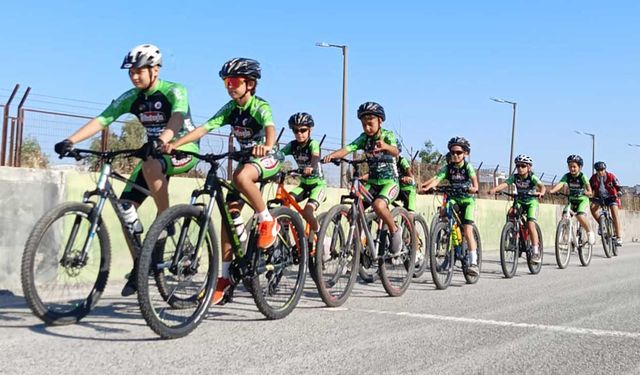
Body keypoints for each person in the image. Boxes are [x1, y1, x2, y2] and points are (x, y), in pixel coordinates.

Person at [53, 44, 199, 296]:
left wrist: (163, 139)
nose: (134, 76)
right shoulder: (132, 97)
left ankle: (165, 220)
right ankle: (141, 266)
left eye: (139, 71)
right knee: (125, 208)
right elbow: (103, 119)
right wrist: (71, 141)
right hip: (154, 152)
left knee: (150, 162)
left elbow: (176, 117)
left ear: (155, 69)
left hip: (181, 148)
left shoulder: (174, 90)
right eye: (130, 71)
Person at [164, 57, 280, 304]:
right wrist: (176, 144)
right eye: (226, 81)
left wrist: (267, 146)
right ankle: (225, 277)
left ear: (249, 84)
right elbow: (204, 129)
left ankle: (268, 220)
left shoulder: (259, 106)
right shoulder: (230, 109)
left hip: (267, 158)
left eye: (234, 81)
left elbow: (270, 128)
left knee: (240, 175)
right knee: (228, 215)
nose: (229, 86)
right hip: (245, 162)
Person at [322, 101, 403, 254]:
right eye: (363, 124)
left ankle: (395, 229)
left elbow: (396, 151)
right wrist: (331, 156)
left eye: (370, 123)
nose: (367, 127)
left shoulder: (387, 135)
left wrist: (385, 146)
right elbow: (347, 149)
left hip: (390, 183)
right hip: (371, 183)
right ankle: (357, 249)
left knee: (379, 206)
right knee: (354, 213)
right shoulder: (363, 138)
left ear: (380, 120)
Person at [420, 137, 480, 276]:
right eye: (452, 152)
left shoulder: (467, 167)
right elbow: (437, 179)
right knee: (443, 211)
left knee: (468, 230)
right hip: (454, 199)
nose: (455, 155)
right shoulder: (448, 167)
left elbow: (475, 182)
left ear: (465, 153)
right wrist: (427, 187)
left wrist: (474, 188)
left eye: (459, 152)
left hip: (467, 201)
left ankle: (474, 263)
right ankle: (446, 233)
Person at [489, 154, 546, 263]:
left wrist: (541, 193)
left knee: (530, 224)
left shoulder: (532, 177)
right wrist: (494, 190)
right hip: (519, 201)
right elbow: (505, 184)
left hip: (531, 203)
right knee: (510, 213)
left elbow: (542, 186)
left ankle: (535, 252)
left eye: (523, 166)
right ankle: (512, 237)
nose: (520, 168)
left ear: (529, 167)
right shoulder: (515, 177)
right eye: (518, 166)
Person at [280, 112, 326, 240]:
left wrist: (311, 167)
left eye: (303, 130)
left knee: (307, 212)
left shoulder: (313, 144)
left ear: (310, 130)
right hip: (303, 185)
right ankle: (285, 236)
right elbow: (280, 155)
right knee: (285, 203)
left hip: (317, 185)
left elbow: (315, 156)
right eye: (295, 130)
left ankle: (320, 235)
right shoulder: (293, 145)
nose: (299, 133)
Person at [548, 155, 596, 245]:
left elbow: (589, 191)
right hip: (571, 200)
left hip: (582, 200)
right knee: (565, 214)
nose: (572, 169)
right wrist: (552, 190)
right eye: (570, 166)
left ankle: (590, 232)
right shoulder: (567, 176)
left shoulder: (582, 176)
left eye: (574, 167)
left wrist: (587, 192)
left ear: (580, 167)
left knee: (580, 216)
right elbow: (561, 184)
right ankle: (567, 236)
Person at [589, 161, 623, 246]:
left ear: (605, 169)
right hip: (599, 197)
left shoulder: (610, 176)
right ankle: (602, 224)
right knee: (592, 208)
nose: (600, 172)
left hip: (611, 197)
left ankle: (619, 237)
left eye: (602, 170)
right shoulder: (593, 178)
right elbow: (588, 187)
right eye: (598, 170)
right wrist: (588, 194)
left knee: (614, 211)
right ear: (596, 170)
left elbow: (618, 186)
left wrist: (619, 192)